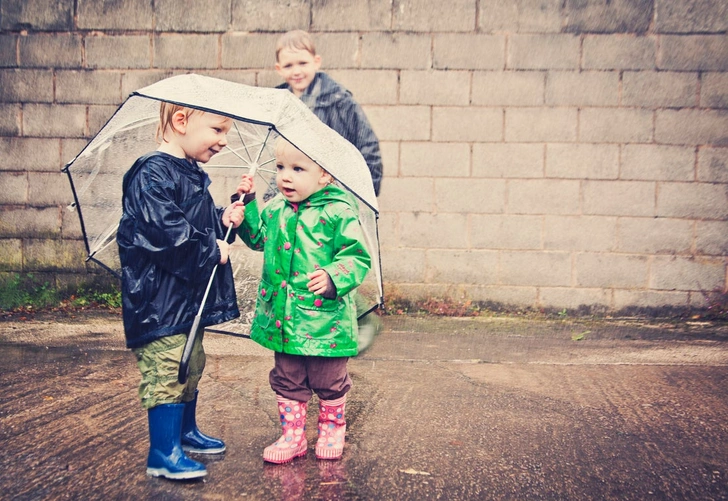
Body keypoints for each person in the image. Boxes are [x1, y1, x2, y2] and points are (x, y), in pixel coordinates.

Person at [117, 102, 246, 480]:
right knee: (169, 369)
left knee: (190, 364)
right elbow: (166, 232)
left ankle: (185, 433)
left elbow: (199, 222)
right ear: (180, 121)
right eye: (218, 130)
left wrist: (225, 218)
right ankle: (163, 453)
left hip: (185, 299)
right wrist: (211, 250)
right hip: (159, 302)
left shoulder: (188, 172)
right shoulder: (152, 174)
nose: (224, 141)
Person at [235, 138, 371, 464]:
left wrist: (334, 276)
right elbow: (258, 238)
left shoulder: (339, 212)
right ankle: (292, 436)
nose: (285, 177)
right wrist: (247, 207)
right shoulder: (276, 209)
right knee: (287, 377)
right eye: (280, 167)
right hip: (283, 315)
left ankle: (331, 429)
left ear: (324, 175)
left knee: (329, 379)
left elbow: (357, 257)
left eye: (298, 169)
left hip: (325, 320)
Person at [274, 29, 383, 352]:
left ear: (316, 62)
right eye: (289, 64)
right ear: (279, 69)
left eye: (303, 62)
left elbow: (368, 150)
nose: (297, 70)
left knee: (342, 262)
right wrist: (271, 196)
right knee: (305, 268)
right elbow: (277, 156)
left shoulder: (339, 101)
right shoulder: (279, 105)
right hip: (298, 204)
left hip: (334, 200)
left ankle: (361, 319)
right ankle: (305, 335)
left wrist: (358, 199)